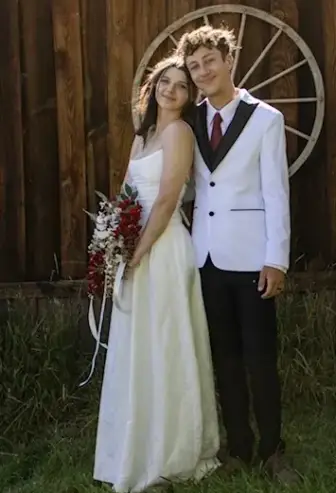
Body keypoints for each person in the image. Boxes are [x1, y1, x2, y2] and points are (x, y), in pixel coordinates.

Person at [175, 26, 299, 483]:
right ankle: (239, 447)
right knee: (223, 357)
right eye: (194, 66)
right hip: (204, 257)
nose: (203, 71)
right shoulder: (190, 120)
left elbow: (276, 193)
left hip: (252, 259)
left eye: (210, 60)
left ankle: (273, 450)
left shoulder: (264, 118)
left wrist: (277, 259)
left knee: (260, 357)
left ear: (228, 59)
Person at [93, 55, 220, 493]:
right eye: (165, 82)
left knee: (166, 340)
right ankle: (135, 442)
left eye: (181, 85)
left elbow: (167, 200)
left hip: (162, 250)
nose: (171, 89)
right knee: (138, 345)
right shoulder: (143, 135)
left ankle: (171, 451)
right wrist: (113, 242)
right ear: (154, 88)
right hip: (135, 249)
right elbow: (128, 194)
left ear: (189, 98)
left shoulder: (179, 132)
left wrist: (139, 252)